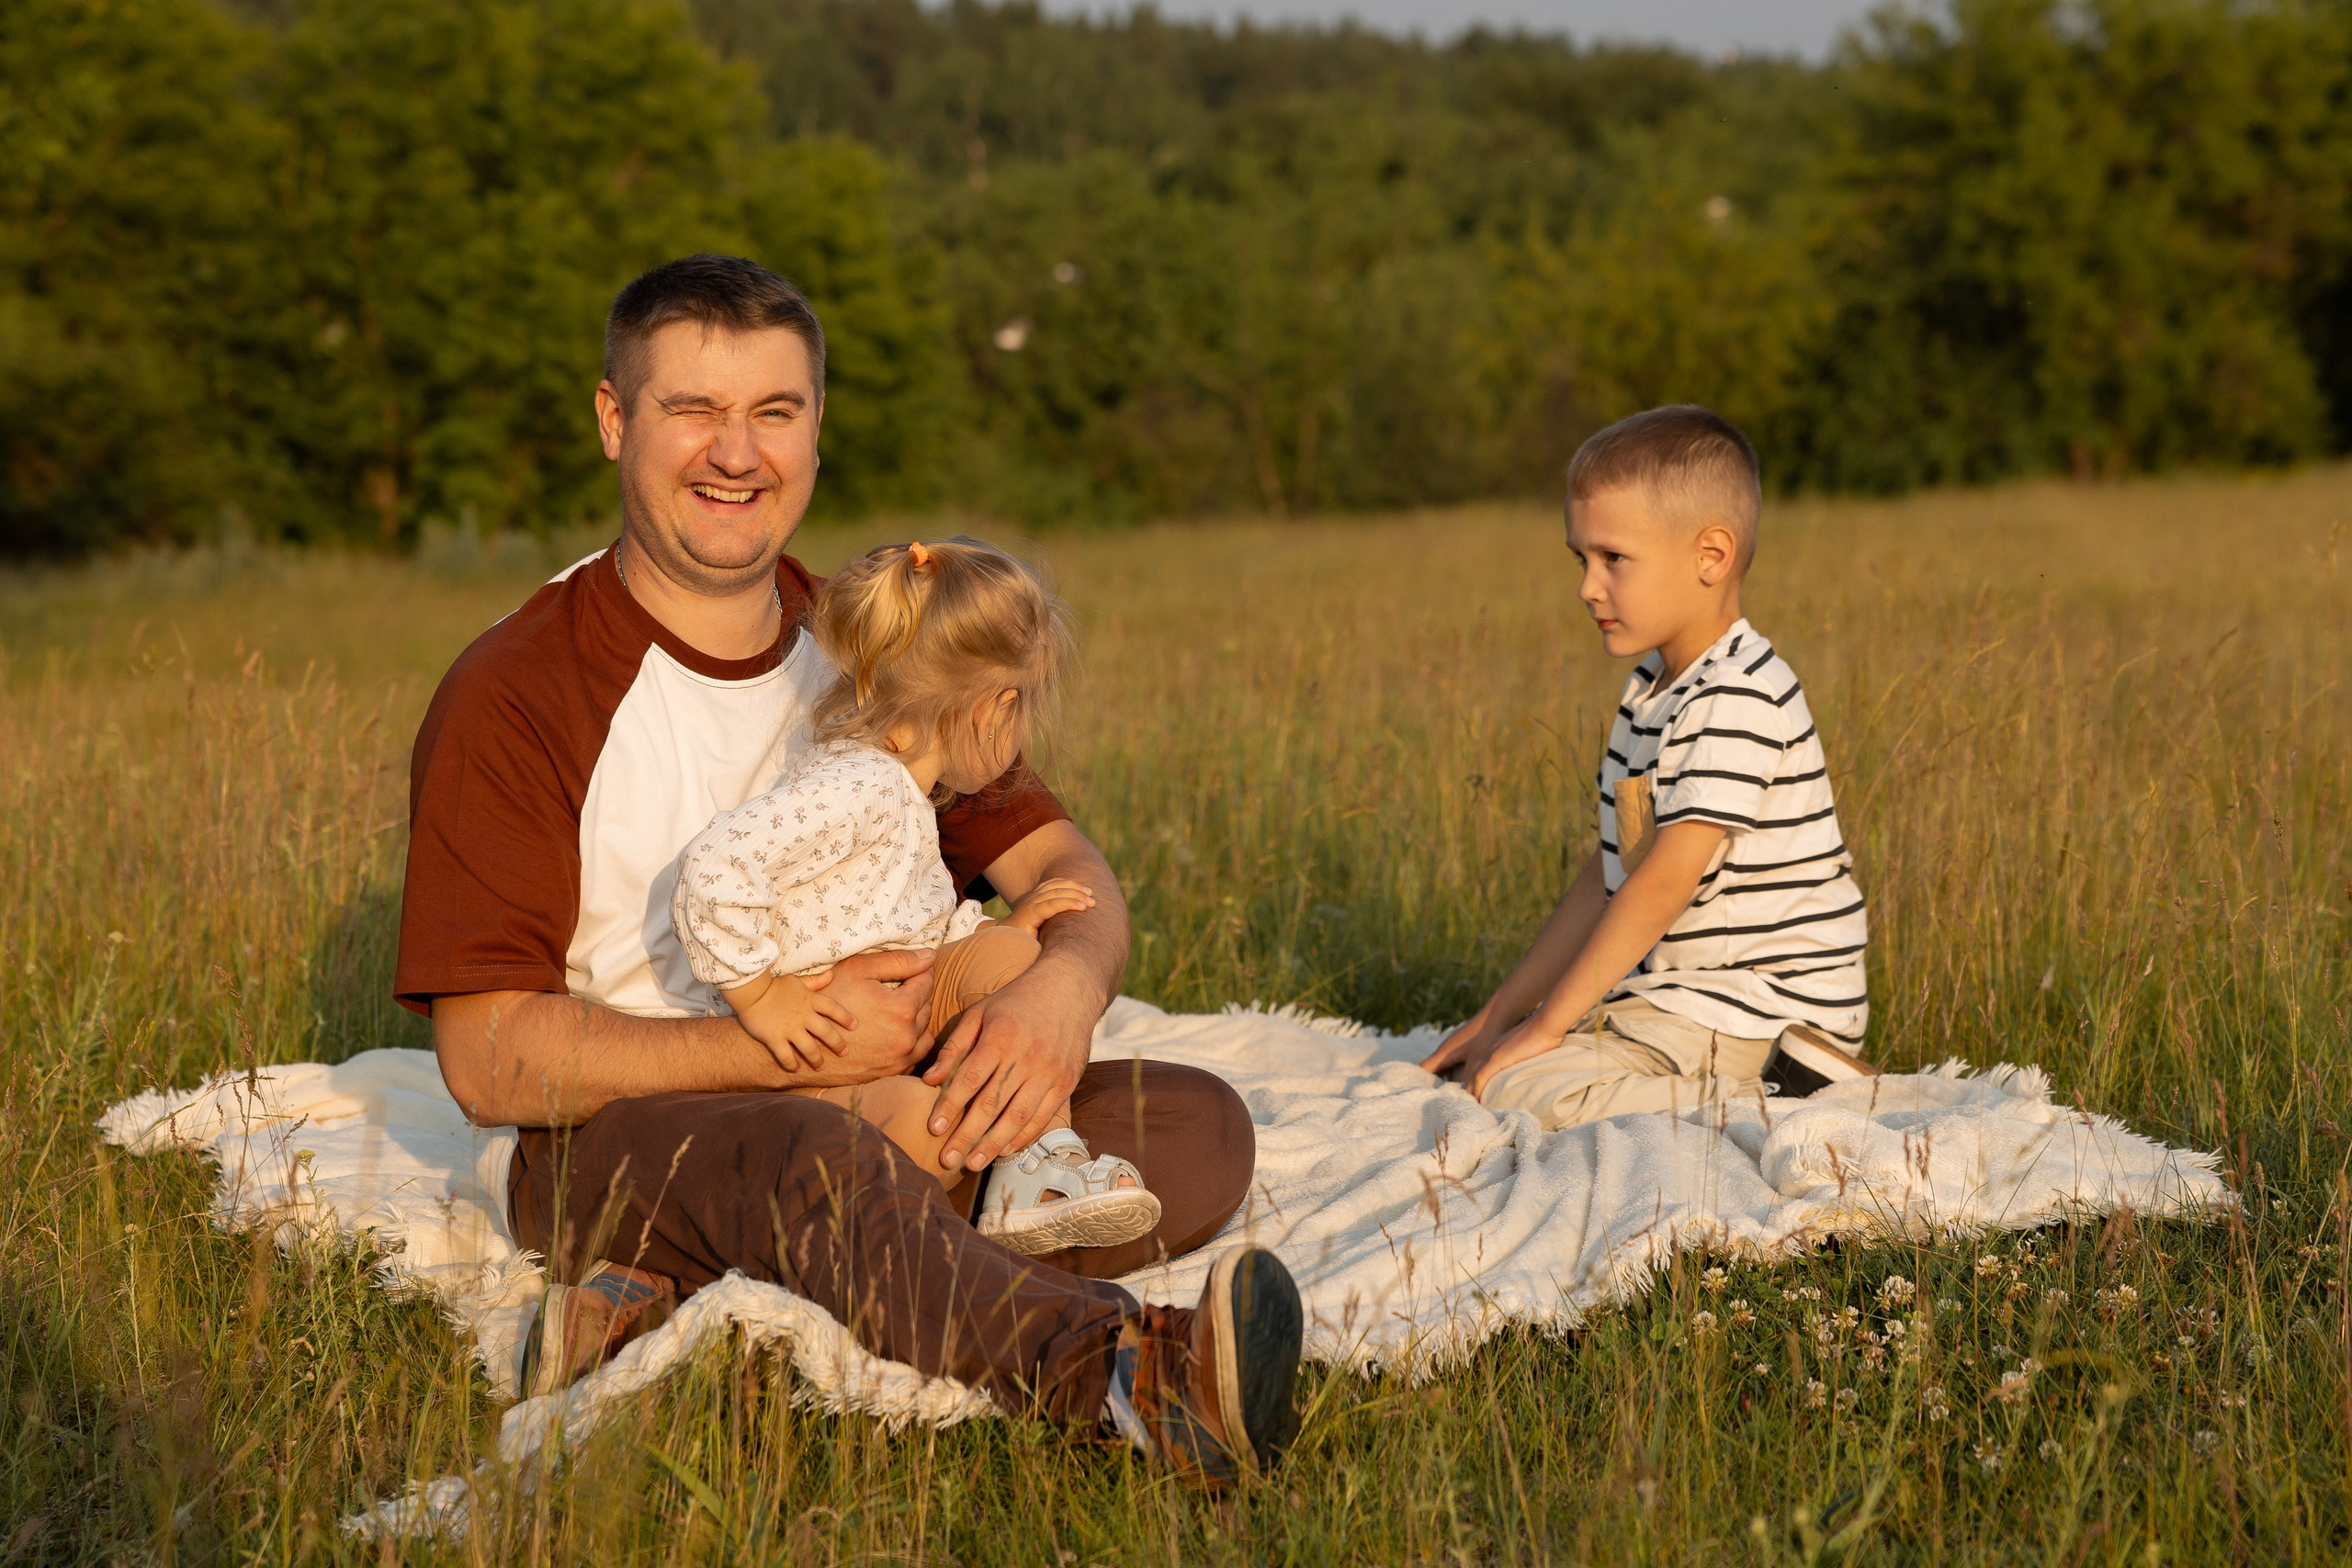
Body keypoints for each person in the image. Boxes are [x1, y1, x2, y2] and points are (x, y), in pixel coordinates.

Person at [396, 253, 1300, 1483]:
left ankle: (716, 1281)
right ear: (613, 420)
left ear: (817, 429)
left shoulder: (872, 640)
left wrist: (1058, 994)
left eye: (774, 411)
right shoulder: (518, 689)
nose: (736, 453)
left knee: (1191, 1125)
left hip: (882, 1098)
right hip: (623, 1136)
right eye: (691, 410)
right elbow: (488, 1054)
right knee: (813, 1161)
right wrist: (796, 1051)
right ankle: (1131, 1375)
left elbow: (1060, 860)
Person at [672, 536, 1161, 1255]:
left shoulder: (897, 783)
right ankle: (962, 1216)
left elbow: (889, 911)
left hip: (903, 1002)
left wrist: (997, 933)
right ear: (994, 710)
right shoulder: (855, 785)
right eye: (1022, 711)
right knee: (923, 1126)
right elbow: (713, 869)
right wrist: (764, 999)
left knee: (1011, 964)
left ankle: (1038, 1165)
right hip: (817, 1056)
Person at [1419, 405, 1877, 1125]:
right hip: (1689, 1003)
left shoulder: (1737, 695)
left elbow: (1661, 882)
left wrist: (1544, 1032)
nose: (1587, 586)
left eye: (1614, 559)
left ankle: (1795, 1098)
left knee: (1522, 1087)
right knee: (1502, 1058)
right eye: (1582, 560)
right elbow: (1611, 878)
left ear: (1711, 556)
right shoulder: (1653, 692)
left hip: (1766, 1012)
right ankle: (1730, 1091)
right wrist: (1502, 1014)